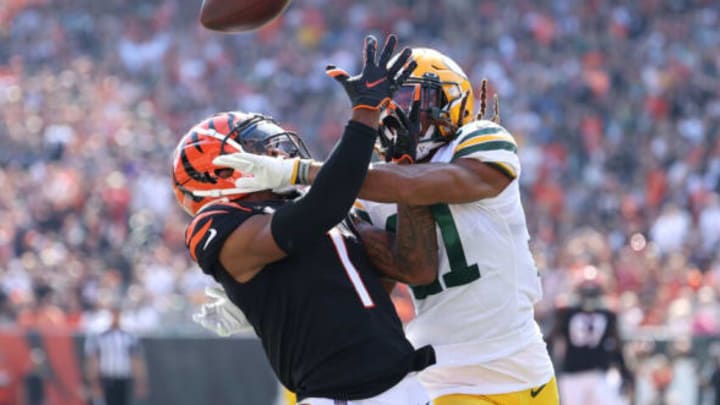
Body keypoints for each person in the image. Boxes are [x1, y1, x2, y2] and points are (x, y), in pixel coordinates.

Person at [228, 47, 559, 404]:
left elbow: (417, 183)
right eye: (389, 103)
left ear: (452, 100)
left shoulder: (478, 141)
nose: (398, 113)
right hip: (439, 372)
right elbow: (403, 273)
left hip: (518, 365)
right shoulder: (371, 190)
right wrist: (274, 296)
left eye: (413, 98)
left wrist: (306, 171)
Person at [173, 34, 436, 405]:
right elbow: (318, 210)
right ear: (216, 172)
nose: (272, 149)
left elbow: (390, 278)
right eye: (253, 146)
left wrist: (405, 179)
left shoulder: (303, 205)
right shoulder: (221, 223)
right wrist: (365, 113)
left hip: (404, 385)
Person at [547, 274, 632, 405]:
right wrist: (625, 371)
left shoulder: (566, 311)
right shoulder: (607, 313)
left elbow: (552, 339)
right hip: (587, 374)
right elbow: (617, 345)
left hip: (583, 373)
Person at [84, 307, 149, 405]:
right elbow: (93, 359)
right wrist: (94, 381)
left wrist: (140, 381)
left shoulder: (129, 336)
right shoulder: (100, 335)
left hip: (123, 378)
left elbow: (136, 359)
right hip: (106, 378)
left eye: (117, 314)